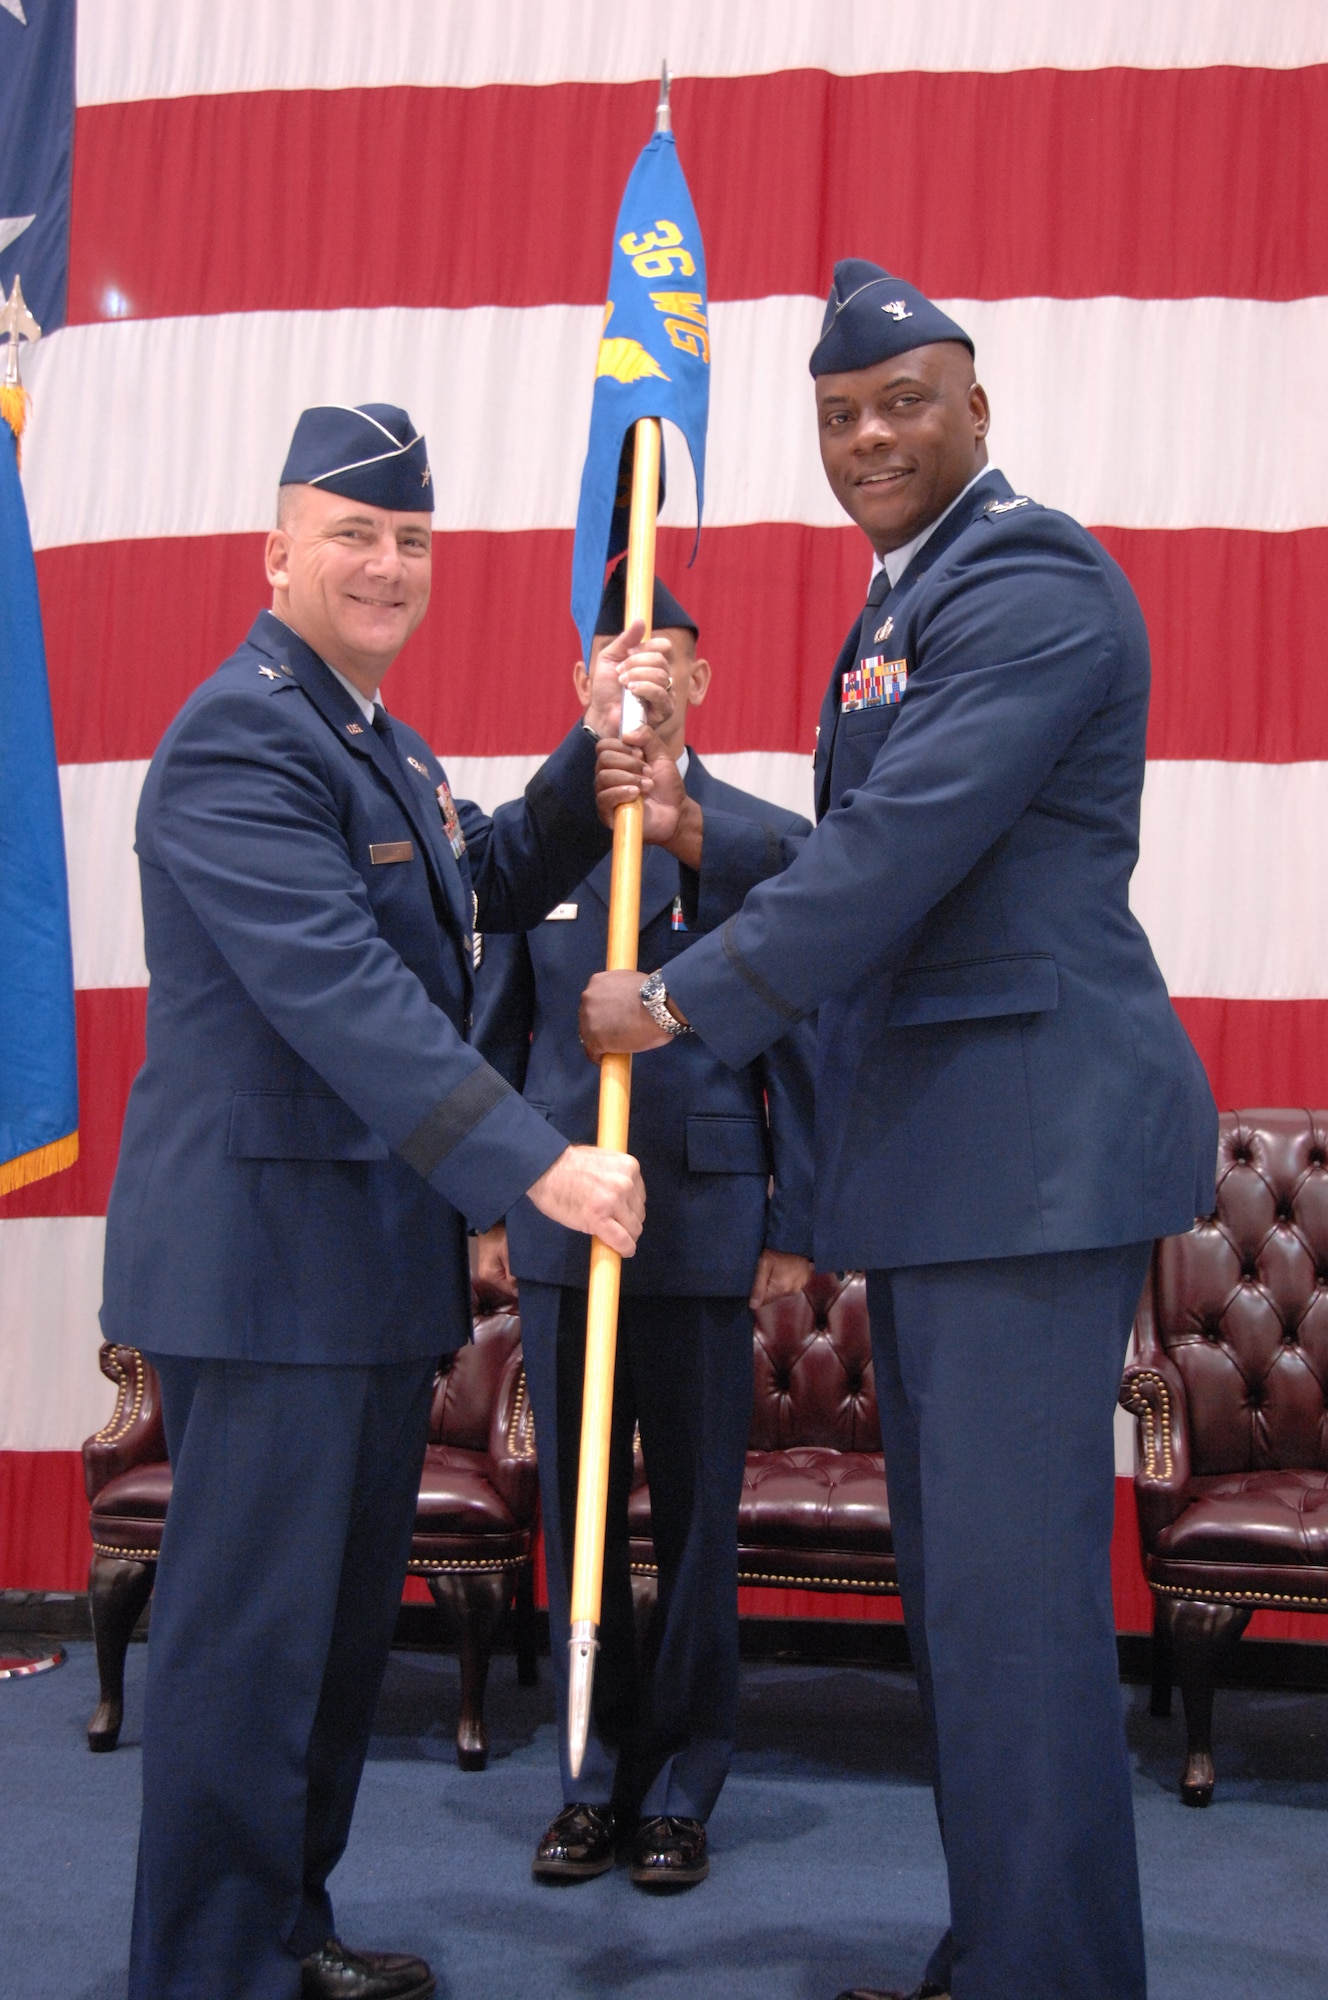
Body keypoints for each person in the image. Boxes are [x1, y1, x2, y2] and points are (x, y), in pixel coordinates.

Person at [580, 263, 1218, 2000]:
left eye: (905, 404)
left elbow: (901, 856)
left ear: (978, 412)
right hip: (958, 1173)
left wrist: (680, 999)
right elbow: (903, 869)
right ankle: (1009, 1947)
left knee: (1009, 1627)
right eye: (841, 416)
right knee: (970, 1617)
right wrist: (707, 830)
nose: (869, 436)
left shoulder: (1027, 578)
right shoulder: (900, 605)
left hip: (1026, 1165)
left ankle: (1053, 1977)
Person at [100, 401, 674, 2000]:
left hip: (353, 1276)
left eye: (412, 540)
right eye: (354, 533)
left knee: (335, 1649)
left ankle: (285, 1928)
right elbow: (342, 994)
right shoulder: (242, 734)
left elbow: (472, 885)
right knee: (249, 1658)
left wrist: (591, 759)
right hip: (263, 1277)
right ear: (277, 551)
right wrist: (537, 1163)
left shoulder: (382, 746)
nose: (388, 563)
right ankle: (206, 1969)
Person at [472, 565, 815, 1891]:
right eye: (619, 655)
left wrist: (795, 1211)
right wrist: (488, 1204)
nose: (645, 675)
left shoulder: (753, 840)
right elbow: (493, 1032)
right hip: (562, 1228)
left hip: (706, 1217)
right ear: (581, 685)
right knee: (578, 1517)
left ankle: (680, 1784)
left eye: (669, 655)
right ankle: (592, 1778)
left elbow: (808, 1042)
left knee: (694, 1524)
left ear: (703, 683)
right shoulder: (540, 839)